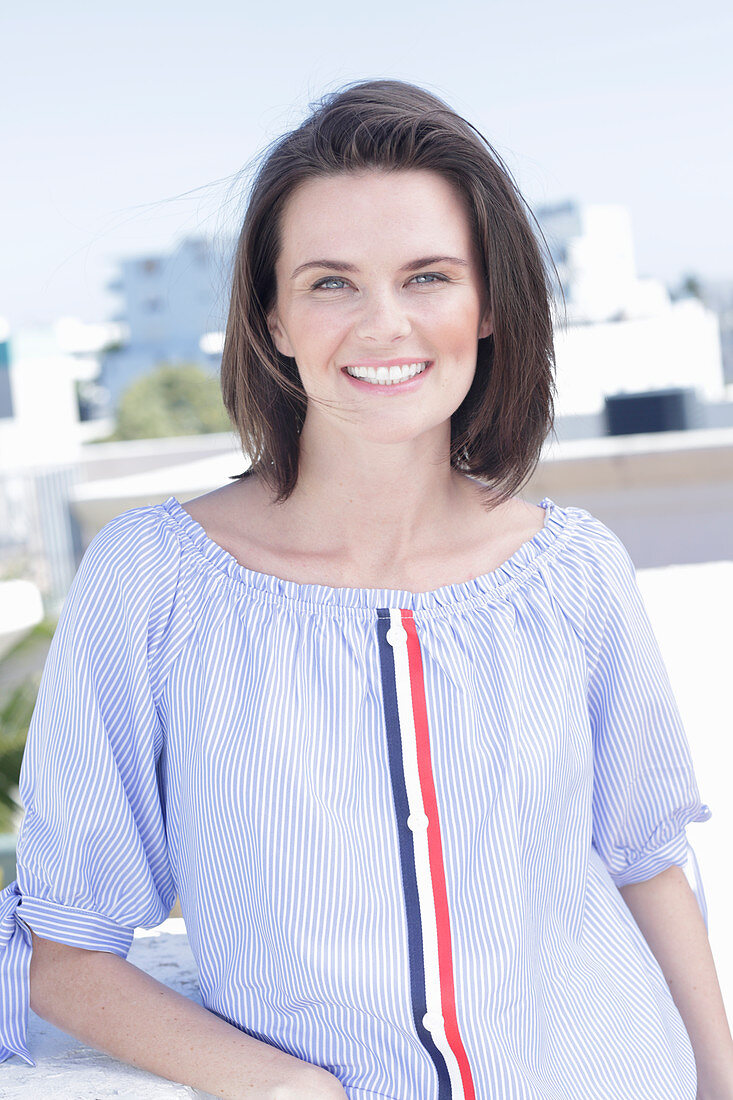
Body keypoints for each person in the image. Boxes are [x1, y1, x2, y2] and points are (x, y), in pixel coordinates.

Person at [0, 78, 730, 1100]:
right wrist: (291, 1086)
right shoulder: (153, 581)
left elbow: (646, 862)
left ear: (486, 307)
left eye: (427, 274)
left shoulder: (576, 571)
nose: (382, 323)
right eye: (331, 282)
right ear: (274, 318)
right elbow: (63, 948)